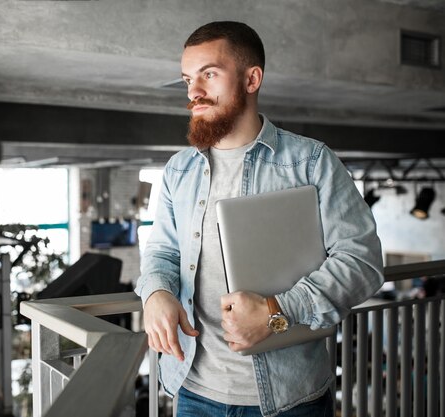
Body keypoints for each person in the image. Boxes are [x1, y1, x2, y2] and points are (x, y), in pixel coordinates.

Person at [134, 21, 384, 417]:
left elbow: (362, 261)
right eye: (187, 79)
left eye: (209, 75)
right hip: (194, 390)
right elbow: (162, 250)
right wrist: (156, 293)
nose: (193, 93)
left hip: (290, 398)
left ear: (252, 79)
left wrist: (275, 312)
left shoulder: (311, 161)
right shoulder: (178, 170)